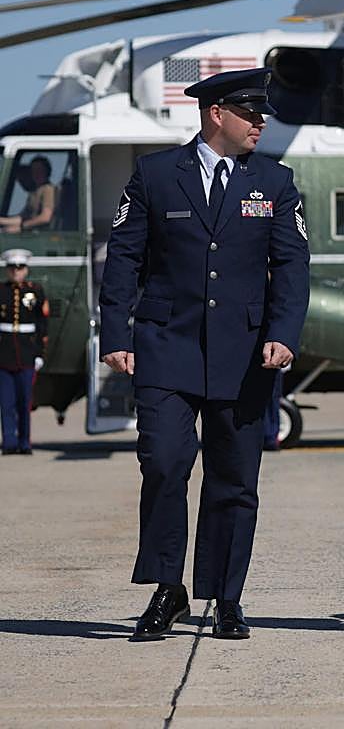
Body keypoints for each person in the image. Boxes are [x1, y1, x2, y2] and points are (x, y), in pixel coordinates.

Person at [98, 67, 310, 641]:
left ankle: (225, 595)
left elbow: (292, 265)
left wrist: (284, 332)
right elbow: (124, 257)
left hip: (245, 352)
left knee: (234, 478)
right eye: (250, 113)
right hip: (167, 344)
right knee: (164, 462)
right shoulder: (155, 174)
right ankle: (168, 589)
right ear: (217, 114)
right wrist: (115, 334)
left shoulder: (275, 181)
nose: (260, 123)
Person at [0, 248, 48, 455]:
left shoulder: (35, 291)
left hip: (27, 353)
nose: (16, 272)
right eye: (12, 268)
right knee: (6, 402)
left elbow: (42, 324)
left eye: (19, 268)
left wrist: (39, 353)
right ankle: (9, 442)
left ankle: (24, 442)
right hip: (4, 354)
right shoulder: (1, 290)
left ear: (26, 270)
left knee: (24, 402)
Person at [0, 156, 57, 233]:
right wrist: (2, 221)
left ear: (47, 172)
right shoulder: (35, 192)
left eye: (40, 170)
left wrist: (21, 227)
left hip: (42, 234)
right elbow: (22, 218)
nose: (36, 173)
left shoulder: (48, 189)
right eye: (34, 170)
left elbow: (45, 217)